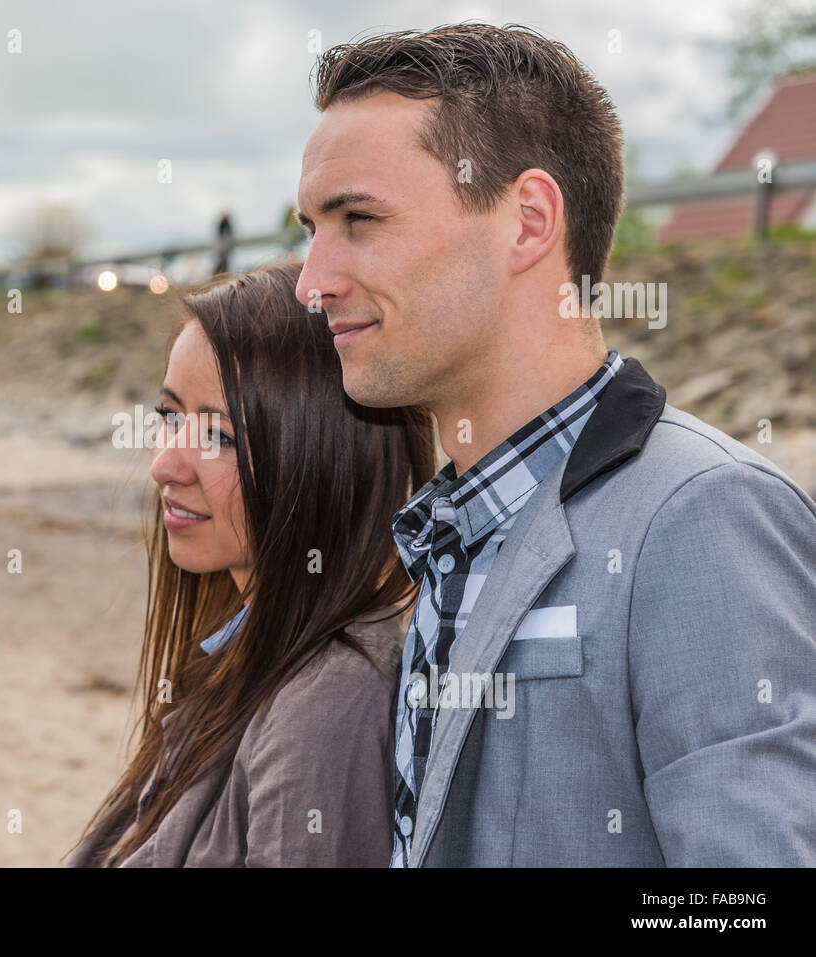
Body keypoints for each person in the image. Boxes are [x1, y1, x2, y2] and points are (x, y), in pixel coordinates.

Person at [293, 23, 816, 866]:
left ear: (528, 221)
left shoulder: (703, 516)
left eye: (358, 219)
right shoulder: (445, 529)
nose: (313, 281)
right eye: (312, 226)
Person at [64, 261, 436, 866]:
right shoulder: (239, 652)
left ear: (317, 458)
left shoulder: (325, 701)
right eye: (169, 418)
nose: (165, 465)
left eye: (218, 435)